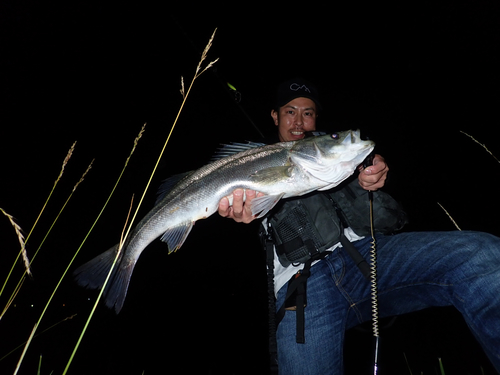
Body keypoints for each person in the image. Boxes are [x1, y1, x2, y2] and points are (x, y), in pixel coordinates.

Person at [218, 78, 500, 374]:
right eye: (290, 112)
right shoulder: (251, 161)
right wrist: (240, 211)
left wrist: (373, 173)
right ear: (274, 115)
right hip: (299, 284)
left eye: (308, 113)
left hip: (368, 256)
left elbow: (371, 168)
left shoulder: (334, 149)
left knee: (481, 253)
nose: (299, 121)